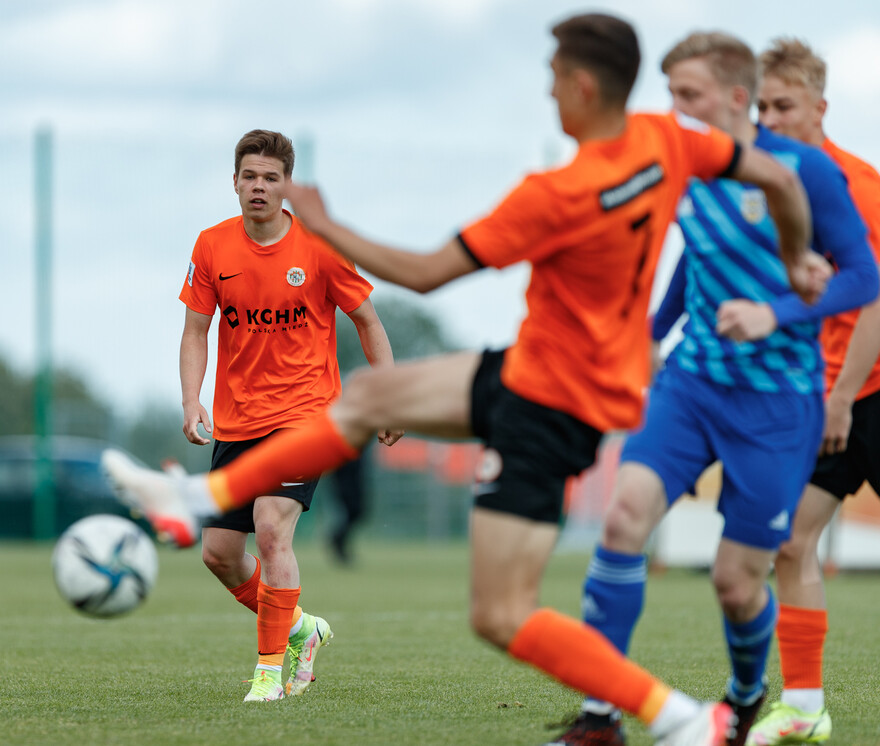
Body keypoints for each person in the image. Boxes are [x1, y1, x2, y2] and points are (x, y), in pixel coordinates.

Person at [103, 14, 831, 745]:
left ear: (581, 86)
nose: (548, 94)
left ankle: (681, 720)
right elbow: (772, 173)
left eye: (552, 80)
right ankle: (192, 497)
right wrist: (799, 261)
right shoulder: (667, 140)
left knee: (499, 615)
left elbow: (425, 273)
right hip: (532, 373)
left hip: (552, 401)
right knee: (369, 397)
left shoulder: (560, 191)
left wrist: (327, 227)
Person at [554, 32, 878, 746]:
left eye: (688, 96)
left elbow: (868, 284)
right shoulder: (686, 165)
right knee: (638, 524)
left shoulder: (822, 176)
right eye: (670, 95)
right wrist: (647, 334)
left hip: (808, 397)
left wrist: (790, 328)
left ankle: (749, 693)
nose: (676, 110)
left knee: (742, 577)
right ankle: (608, 713)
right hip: (703, 385)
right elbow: (693, 264)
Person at [173, 129, 401, 702]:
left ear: (286, 187)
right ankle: (302, 628)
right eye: (249, 176)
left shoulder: (320, 247)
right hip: (238, 420)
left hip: (305, 415)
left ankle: (270, 671)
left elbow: (368, 321)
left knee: (272, 530)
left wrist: (388, 395)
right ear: (234, 182)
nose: (258, 187)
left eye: (270, 178)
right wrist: (191, 398)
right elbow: (196, 330)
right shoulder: (211, 247)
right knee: (219, 554)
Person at [741, 38, 880, 746]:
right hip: (817, 399)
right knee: (792, 544)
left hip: (869, 393)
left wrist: (845, 395)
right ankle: (803, 706)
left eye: (783, 105)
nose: (769, 117)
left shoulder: (858, 182)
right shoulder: (768, 192)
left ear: (819, 107)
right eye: (761, 105)